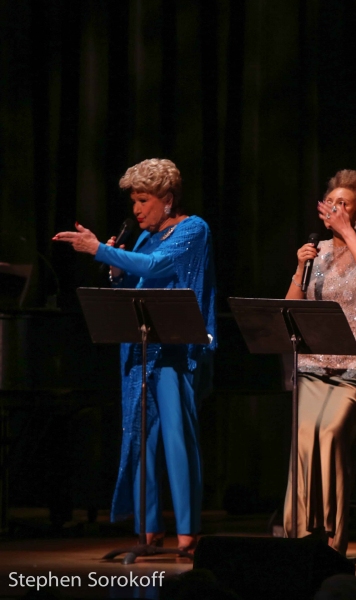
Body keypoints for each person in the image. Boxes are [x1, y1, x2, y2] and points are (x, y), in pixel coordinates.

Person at [53, 158, 217, 552]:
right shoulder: (145, 236)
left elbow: (158, 266)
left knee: (177, 438)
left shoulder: (194, 229)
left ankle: (188, 533)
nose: (136, 209)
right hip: (142, 351)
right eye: (134, 201)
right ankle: (147, 530)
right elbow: (137, 275)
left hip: (176, 352)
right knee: (140, 437)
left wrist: (98, 252)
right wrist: (115, 271)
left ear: (168, 199)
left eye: (144, 200)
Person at [284, 169, 356, 555]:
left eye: (343, 204)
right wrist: (300, 268)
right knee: (304, 434)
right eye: (331, 203)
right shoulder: (316, 252)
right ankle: (300, 536)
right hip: (315, 360)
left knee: (330, 431)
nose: (335, 208)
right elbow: (291, 310)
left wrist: (348, 234)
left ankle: (334, 538)